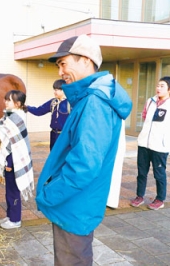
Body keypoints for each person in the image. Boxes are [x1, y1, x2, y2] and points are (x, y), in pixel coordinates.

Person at [35, 34, 132, 265]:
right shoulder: (92, 98)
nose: (60, 72)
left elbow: (84, 165)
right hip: (79, 203)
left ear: (86, 61)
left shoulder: (95, 103)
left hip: (74, 206)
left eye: (63, 63)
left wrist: (50, 194)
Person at [0, 90, 34, 230]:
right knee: (9, 191)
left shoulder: (15, 118)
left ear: (18, 103)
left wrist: (9, 163)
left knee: (13, 192)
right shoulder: (10, 116)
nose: (5, 102)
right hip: (12, 160)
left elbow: (14, 145)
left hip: (14, 162)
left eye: (8, 100)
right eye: (6, 99)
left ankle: (15, 220)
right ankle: (10, 216)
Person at [130, 76, 170, 210]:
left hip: (160, 146)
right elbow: (145, 117)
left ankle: (160, 199)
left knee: (159, 173)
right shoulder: (150, 101)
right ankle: (139, 196)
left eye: (162, 86)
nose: (158, 88)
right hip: (144, 144)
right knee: (141, 172)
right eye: (158, 85)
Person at [27, 79, 69, 150]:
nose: (54, 92)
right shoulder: (52, 102)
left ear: (63, 90)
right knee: (53, 157)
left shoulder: (70, 103)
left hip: (65, 136)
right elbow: (38, 111)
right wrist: (26, 107)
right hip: (53, 135)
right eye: (54, 89)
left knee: (63, 158)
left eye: (56, 90)